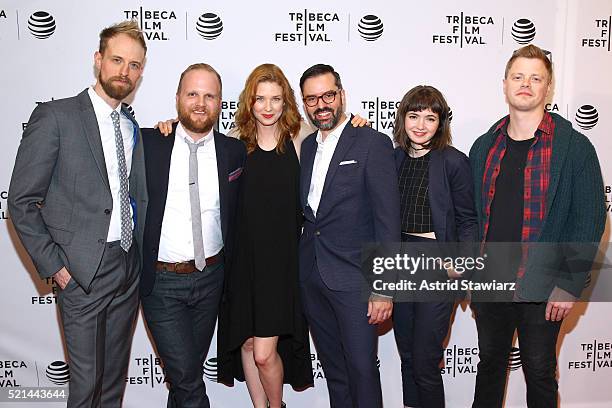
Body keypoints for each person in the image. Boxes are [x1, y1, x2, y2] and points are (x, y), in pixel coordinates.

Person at [8, 21, 148, 407]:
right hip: (81, 271)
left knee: (112, 387)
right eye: (118, 60)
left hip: (127, 266)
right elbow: (20, 201)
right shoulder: (56, 117)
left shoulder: (130, 124)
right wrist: (56, 266)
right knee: (85, 388)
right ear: (98, 60)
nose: (125, 71)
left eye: (135, 65)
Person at [469, 44, 606, 407]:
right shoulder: (484, 146)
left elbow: (590, 219)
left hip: (544, 288)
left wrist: (569, 284)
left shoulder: (574, 147)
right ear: (504, 85)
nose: (525, 84)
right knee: (489, 368)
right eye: (518, 77)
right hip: (490, 283)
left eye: (535, 78)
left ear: (548, 88)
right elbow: (471, 217)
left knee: (540, 371)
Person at [140, 63, 246, 408]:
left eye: (209, 95)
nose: (200, 103)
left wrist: (345, 123)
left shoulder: (233, 151)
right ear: (177, 99)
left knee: (185, 378)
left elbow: (290, 136)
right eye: (192, 94)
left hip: (211, 280)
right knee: (188, 382)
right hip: (161, 284)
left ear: (220, 103)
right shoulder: (149, 143)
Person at [298, 63, 400, 407]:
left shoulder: (372, 142)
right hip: (312, 276)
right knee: (335, 370)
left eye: (328, 95)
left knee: (361, 370)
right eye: (311, 99)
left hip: (356, 280)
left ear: (341, 95)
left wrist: (383, 288)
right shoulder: (309, 146)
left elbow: (388, 220)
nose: (321, 104)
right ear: (303, 103)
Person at [215, 63, 313, 408]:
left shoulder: (300, 140)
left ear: (286, 102)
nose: (268, 107)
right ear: (249, 102)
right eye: (260, 99)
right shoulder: (232, 144)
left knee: (263, 354)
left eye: (276, 99)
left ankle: (276, 406)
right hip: (243, 264)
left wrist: (356, 122)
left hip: (281, 266)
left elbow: (341, 136)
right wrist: (167, 126)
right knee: (245, 344)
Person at [392, 85, 477, 408]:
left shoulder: (453, 162)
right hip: (399, 264)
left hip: (437, 264)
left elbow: (468, 219)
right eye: (414, 116)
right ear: (403, 118)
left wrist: (461, 262)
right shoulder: (394, 157)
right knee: (408, 356)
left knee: (426, 359)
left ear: (441, 123)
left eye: (430, 118)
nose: (421, 125)